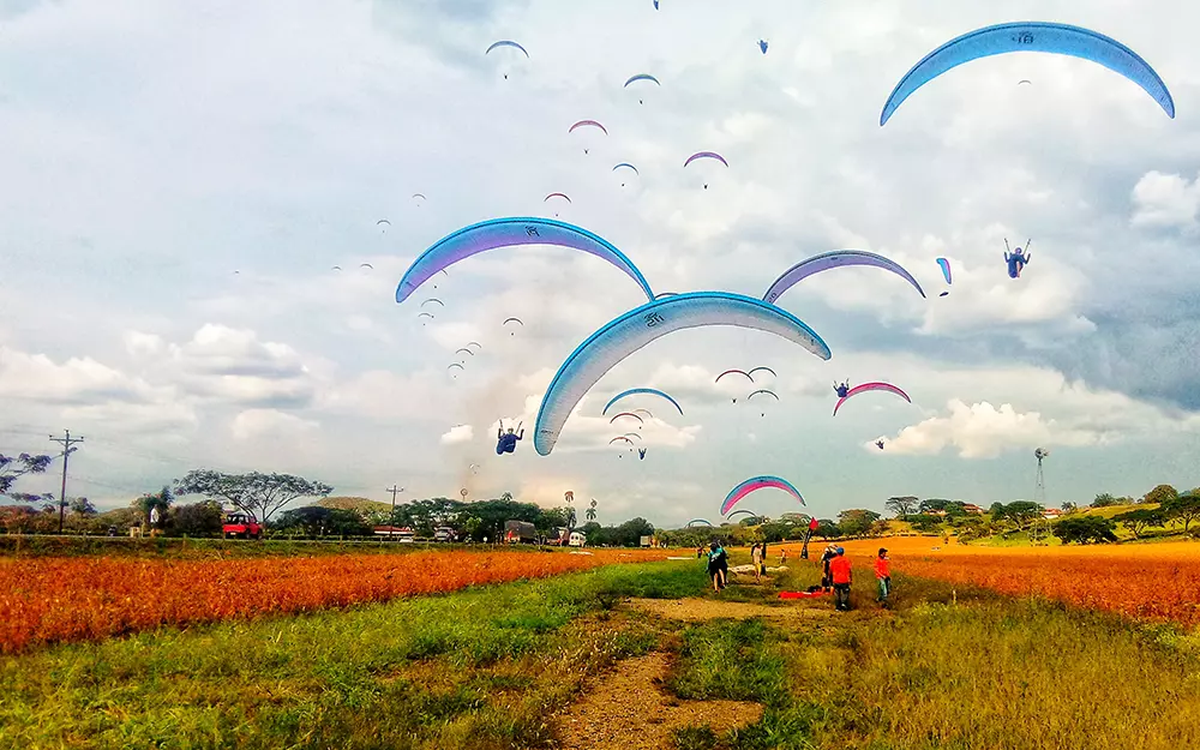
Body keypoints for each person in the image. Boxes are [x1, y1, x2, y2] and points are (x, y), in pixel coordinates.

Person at [829, 547, 853, 611]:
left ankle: (837, 606)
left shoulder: (832, 560)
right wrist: (850, 579)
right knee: (845, 592)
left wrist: (829, 578)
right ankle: (843, 603)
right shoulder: (846, 560)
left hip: (836, 579)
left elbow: (830, 570)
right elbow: (849, 570)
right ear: (843, 553)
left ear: (836, 552)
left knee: (837, 593)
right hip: (844, 580)